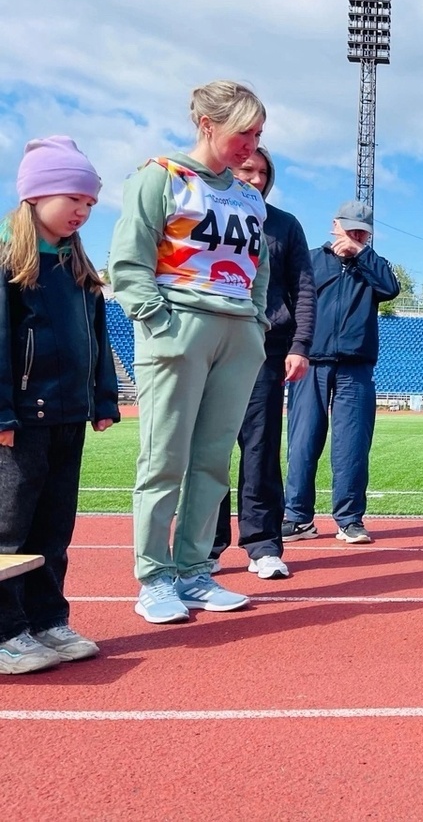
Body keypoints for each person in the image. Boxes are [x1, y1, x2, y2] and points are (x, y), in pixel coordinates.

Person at [110, 80, 270, 623]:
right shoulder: (161, 176)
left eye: (258, 134)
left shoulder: (249, 196)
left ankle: (194, 572)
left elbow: (260, 268)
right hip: (178, 325)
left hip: (238, 332)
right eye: (242, 132)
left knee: (212, 461)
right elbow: (129, 261)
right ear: (208, 124)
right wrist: (158, 321)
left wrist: (256, 321)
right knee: (164, 460)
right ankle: (154, 577)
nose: (251, 145)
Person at [0, 137, 119, 673]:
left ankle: (47, 619)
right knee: (9, 529)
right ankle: (6, 631)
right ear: (36, 194)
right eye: (74, 197)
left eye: (90, 203)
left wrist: (102, 397)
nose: (83, 210)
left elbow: (97, 340)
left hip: (68, 417)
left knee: (53, 529)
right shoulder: (9, 265)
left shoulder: (79, 271)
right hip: (20, 422)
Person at [209, 146, 314, 580]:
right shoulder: (206, 215)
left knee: (260, 449)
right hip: (209, 344)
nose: (254, 178)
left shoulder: (285, 225)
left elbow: (304, 288)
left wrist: (300, 344)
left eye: (262, 172)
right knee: (207, 451)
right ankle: (204, 547)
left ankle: (264, 545)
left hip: (265, 348)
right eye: (245, 169)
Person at [282, 201, 399, 545]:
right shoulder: (310, 259)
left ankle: (349, 519)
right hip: (311, 362)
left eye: (362, 231)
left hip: (356, 366)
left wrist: (361, 254)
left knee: (351, 446)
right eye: (350, 229)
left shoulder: (374, 265)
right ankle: (297, 517)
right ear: (334, 225)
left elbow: (390, 289)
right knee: (302, 441)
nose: (355, 235)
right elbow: (292, 303)